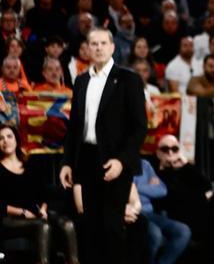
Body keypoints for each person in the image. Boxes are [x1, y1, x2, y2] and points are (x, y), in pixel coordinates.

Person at [59, 28, 148, 264]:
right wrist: (67, 162)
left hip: (114, 160)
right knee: (90, 227)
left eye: (102, 43)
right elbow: (75, 127)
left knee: (112, 228)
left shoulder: (128, 79)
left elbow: (139, 127)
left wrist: (122, 160)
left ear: (112, 47)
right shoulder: (81, 80)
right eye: (93, 44)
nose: (98, 48)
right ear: (87, 49)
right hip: (86, 159)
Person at [0, 125, 80, 264]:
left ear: (16, 140)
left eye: (9, 136)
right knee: (44, 226)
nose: (5, 141)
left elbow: (43, 193)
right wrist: (22, 212)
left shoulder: (29, 165)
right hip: (10, 218)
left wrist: (43, 209)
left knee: (67, 225)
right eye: (0, 138)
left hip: (36, 213)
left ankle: (73, 261)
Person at [155, 134, 214, 259]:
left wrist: (186, 165)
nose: (170, 152)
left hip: (201, 211)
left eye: (175, 149)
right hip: (181, 216)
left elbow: (206, 185)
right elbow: (170, 198)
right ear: (158, 153)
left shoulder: (186, 169)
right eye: (165, 149)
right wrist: (202, 197)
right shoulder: (156, 173)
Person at [132, 156, 191, 264]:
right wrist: (147, 186)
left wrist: (136, 187)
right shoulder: (116, 163)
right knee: (155, 234)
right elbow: (124, 191)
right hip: (130, 212)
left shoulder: (145, 164)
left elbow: (162, 190)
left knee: (183, 231)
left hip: (149, 212)